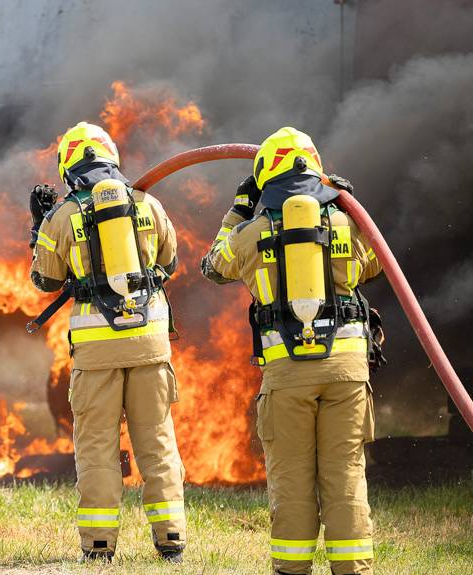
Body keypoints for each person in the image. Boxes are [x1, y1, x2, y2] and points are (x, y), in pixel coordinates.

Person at [200, 127, 383, 575]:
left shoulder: (251, 233)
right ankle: (353, 569)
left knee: (292, 478)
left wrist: (239, 209)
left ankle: (292, 568)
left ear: (267, 179)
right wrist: (347, 207)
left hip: (287, 374)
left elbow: (214, 266)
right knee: (344, 474)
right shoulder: (342, 222)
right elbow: (376, 263)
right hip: (346, 371)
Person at [28, 122, 185, 562]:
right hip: (151, 346)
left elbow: (45, 278)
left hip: (96, 353)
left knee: (97, 446)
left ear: (68, 167)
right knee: (156, 440)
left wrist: (38, 223)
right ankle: (171, 540)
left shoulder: (64, 215)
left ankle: (98, 547)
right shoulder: (147, 203)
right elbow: (170, 262)